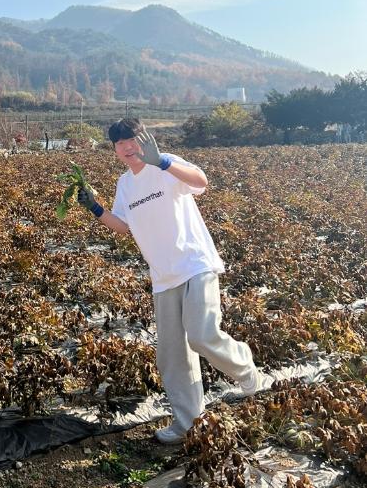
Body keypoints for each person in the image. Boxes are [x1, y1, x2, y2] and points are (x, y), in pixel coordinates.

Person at [77, 118, 261, 444]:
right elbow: (124, 226)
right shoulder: (125, 184)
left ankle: (245, 368)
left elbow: (201, 182)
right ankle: (188, 423)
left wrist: (162, 162)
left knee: (202, 335)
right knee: (172, 355)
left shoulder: (165, 164)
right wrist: (95, 208)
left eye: (132, 139)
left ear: (144, 139)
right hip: (163, 277)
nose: (128, 147)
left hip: (195, 264)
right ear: (115, 149)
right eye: (120, 143)